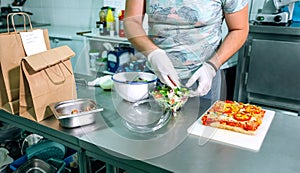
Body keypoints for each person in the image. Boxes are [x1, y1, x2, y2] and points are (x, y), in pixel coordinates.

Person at [124, 0, 249, 99]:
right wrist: (153, 53)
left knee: (201, 129)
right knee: (154, 128)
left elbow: (239, 29)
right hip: (156, 74)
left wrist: (211, 66)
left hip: (203, 79)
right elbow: (132, 21)